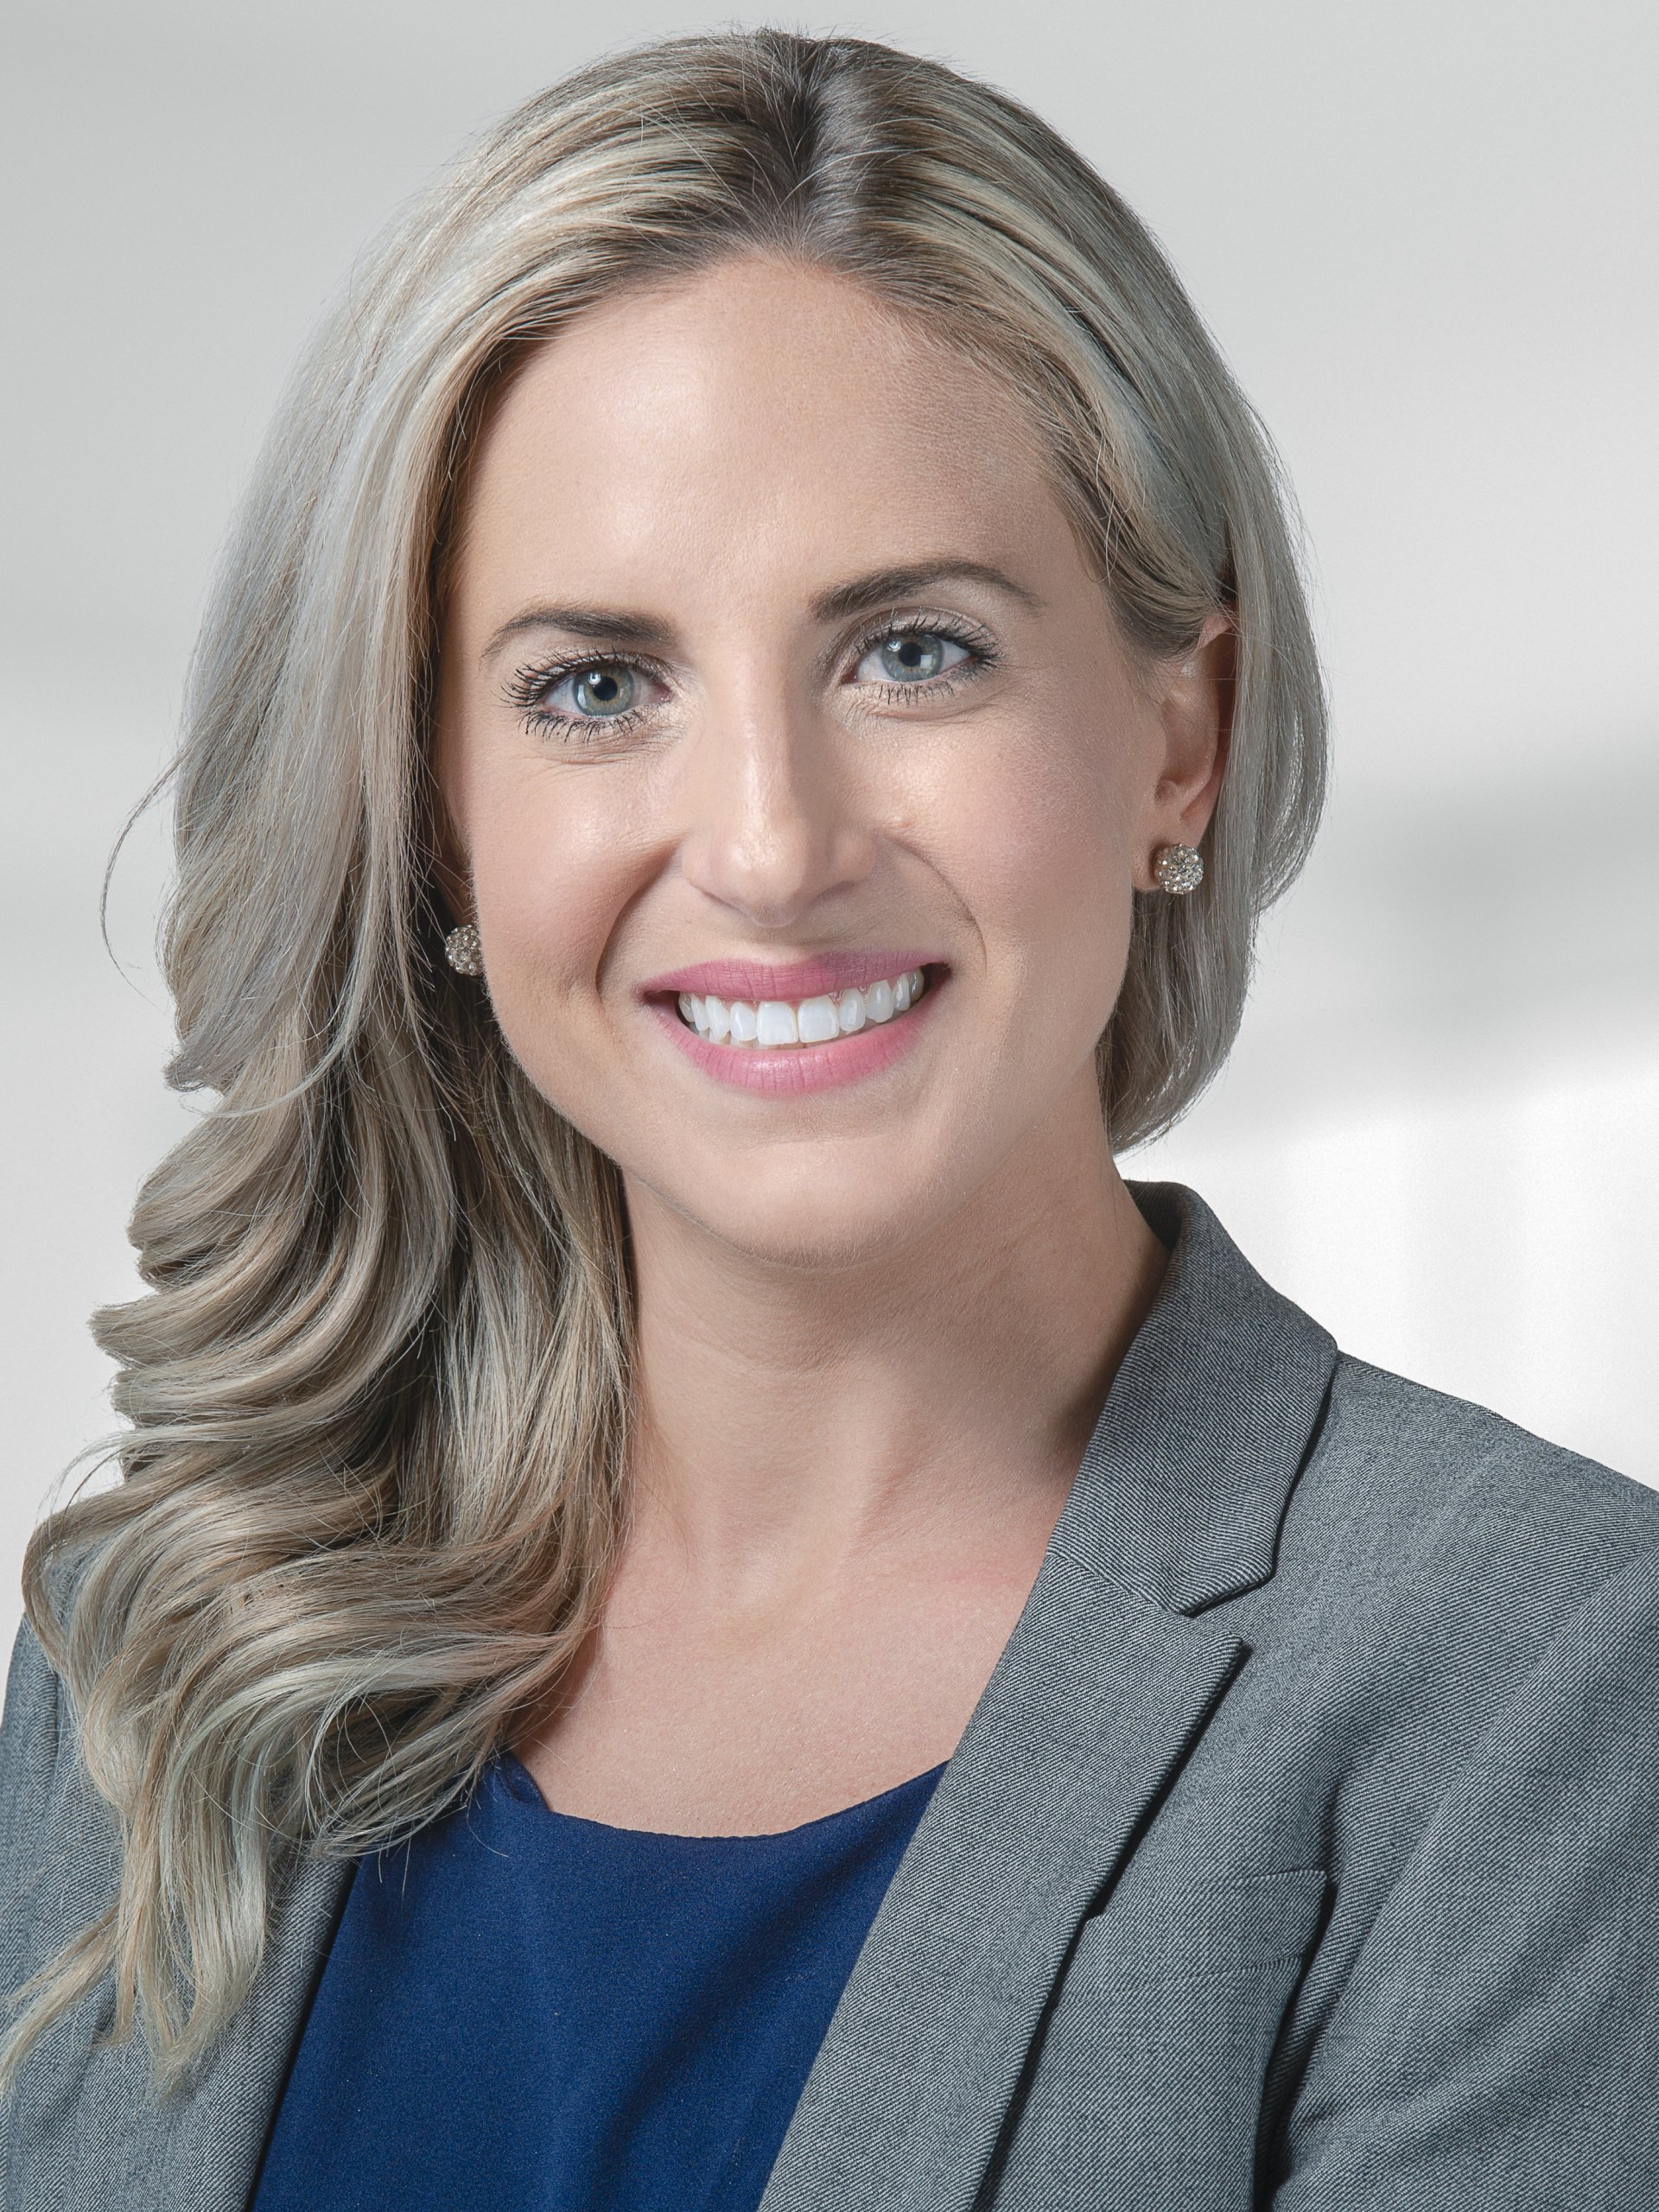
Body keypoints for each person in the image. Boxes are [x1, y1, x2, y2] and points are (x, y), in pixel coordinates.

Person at [2, 25, 1656, 2212]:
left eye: (914, 652)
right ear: (436, 827)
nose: (771, 846)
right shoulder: (157, 1645)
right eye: (596, 686)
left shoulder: (1541, 1680)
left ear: (1184, 732)